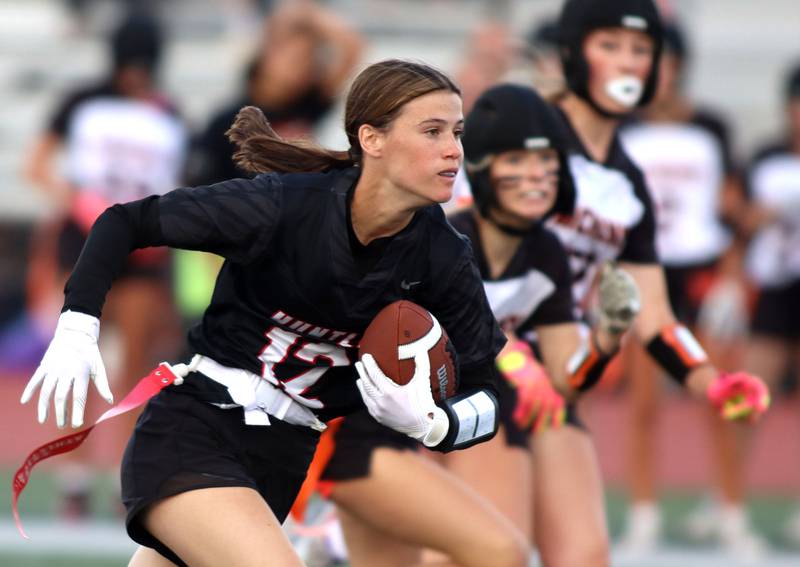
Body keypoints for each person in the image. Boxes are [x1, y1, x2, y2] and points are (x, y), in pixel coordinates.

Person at [20, 59, 517, 567]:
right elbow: (125, 221)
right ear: (372, 139)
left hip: (285, 455)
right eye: (432, 131)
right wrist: (78, 324)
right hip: (200, 427)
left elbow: (488, 391)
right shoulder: (286, 207)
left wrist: (435, 425)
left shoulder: (442, 256)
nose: (453, 149)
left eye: (457, 132)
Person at [312, 83, 638, 567]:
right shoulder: (444, 238)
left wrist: (606, 338)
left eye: (546, 160)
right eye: (516, 160)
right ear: (482, 167)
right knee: (492, 549)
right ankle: (340, 539)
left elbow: (564, 382)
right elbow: (429, 334)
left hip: (485, 401)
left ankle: (345, 541)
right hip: (401, 416)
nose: (536, 175)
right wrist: (514, 358)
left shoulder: (546, 250)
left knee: (570, 554)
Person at [539, 0, 769, 562]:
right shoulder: (527, 132)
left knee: (581, 552)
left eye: (642, 50)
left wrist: (711, 383)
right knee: (488, 546)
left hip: (553, 378)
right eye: (609, 45)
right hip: (490, 364)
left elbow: (655, 317)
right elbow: (466, 246)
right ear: (573, 52)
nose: (629, 63)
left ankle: (726, 514)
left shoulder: (629, 184)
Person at [23, 10, 186, 517]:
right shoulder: (83, 102)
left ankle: (122, 476)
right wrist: (77, 202)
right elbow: (37, 165)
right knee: (77, 361)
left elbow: (175, 183)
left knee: (134, 367)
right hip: (85, 247)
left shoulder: (167, 111)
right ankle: (72, 479)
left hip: (143, 255)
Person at [616, 21, 762, 555]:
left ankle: (731, 514)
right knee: (643, 404)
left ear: (678, 66)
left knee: (721, 394)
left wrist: (731, 276)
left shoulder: (710, 127)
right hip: (645, 270)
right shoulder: (621, 128)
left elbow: (732, 207)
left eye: (659, 59)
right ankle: (643, 516)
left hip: (701, 271)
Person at [190, 0, 363, 186]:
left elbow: (351, 48)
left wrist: (307, 12)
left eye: (309, 60)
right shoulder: (227, 121)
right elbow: (201, 183)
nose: (304, 69)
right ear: (270, 53)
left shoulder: (307, 104)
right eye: (296, 59)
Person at [740, 62, 800, 548]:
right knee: (749, 395)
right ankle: (728, 497)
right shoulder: (767, 157)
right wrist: (761, 216)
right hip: (776, 285)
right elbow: (740, 219)